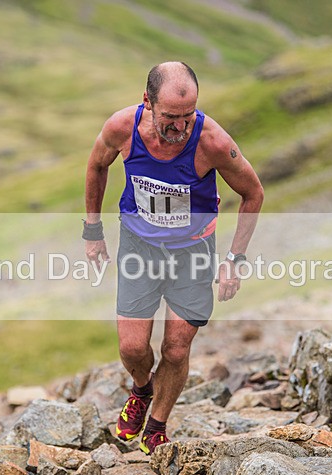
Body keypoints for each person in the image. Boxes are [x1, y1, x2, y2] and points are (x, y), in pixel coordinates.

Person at [83, 61, 264, 454]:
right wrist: (93, 230)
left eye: (188, 116)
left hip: (192, 251)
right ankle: (142, 390)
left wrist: (235, 258)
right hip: (139, 247)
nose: (181, 127)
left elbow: (254, 194)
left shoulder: (212, 141)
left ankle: (158, 425)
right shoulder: (121, 128)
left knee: (176, 349)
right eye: (170, 117)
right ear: (146, 101)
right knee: (133, 348)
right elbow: (97, 166)